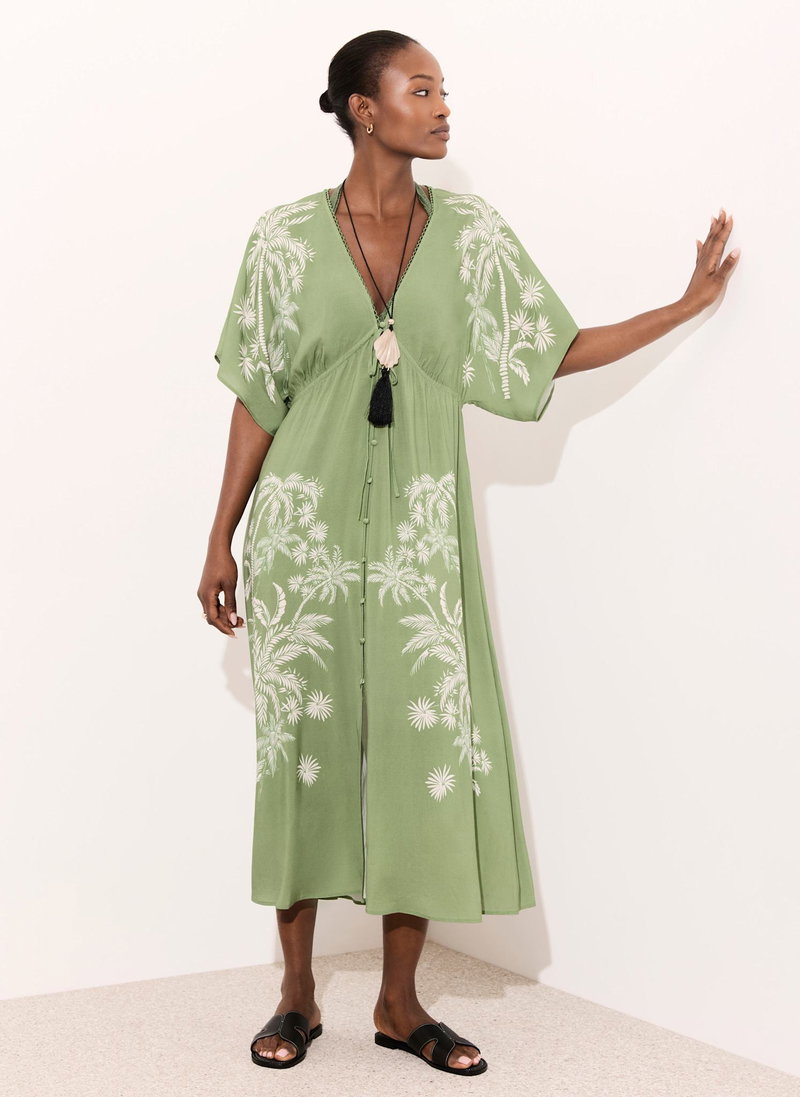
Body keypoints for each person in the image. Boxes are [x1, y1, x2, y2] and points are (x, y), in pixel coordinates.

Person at [197, 29, 739, 1076]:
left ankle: (399, 1002)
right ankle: (296, 990)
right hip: (302, 537)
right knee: (301, 753)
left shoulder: (472, 236)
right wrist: (220, 534)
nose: (443, 106)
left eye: (444, 89)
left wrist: (682, 305)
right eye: (421, 88)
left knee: (421, 754)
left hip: (417, 542)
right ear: (364, 109)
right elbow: (256, 394)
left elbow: (552, 348)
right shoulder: (283, 239)